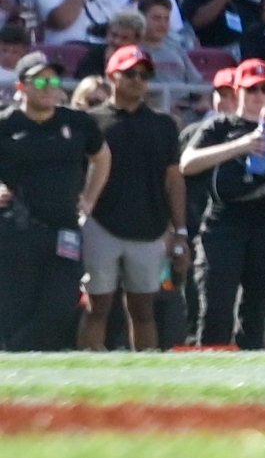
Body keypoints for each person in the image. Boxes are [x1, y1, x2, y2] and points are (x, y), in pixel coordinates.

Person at [174, 60, 265, 351]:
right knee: (217, 304)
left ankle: (253, 375)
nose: (259, 95)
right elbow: (187, 164)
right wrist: (242, 145)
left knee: (257, 308)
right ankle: (212, 372)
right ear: (238, 91)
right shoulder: (218, 126)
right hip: (224, 224)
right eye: (251, 89)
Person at [72, 46, 184, 351]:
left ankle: (145, 378)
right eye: (130, 73)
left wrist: (181, 230)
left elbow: (173, 179)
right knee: (97, 307)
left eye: (144, 74)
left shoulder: (164, 124)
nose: (138, 80)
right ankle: (86, 375)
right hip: (100, 224)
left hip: (150, 227)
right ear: (112, 76)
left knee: (144, 310)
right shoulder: (89, 121)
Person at [0, 55, 91, 348]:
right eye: (40, 81)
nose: (48, 87)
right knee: (16, 307)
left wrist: (89, 196)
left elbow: (102, 157)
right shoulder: (5, 124)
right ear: (21, 86)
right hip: (18, 231)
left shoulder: (75, 122)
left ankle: (21, 354)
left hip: (64, 229)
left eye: (53, 81)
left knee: (62, 303)